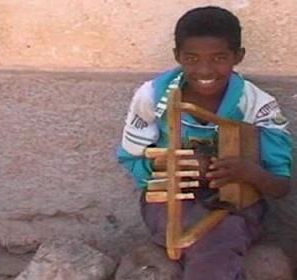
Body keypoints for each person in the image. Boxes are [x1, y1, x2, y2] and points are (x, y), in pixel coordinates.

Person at [117, 6, 293, 280]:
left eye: (220, 58)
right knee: (202, 234)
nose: (205, 69)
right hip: (171, 200)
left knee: (222, 234)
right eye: (192, 58)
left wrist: (248, 172)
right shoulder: (153, 96)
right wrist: (177, 167)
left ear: (238, 56)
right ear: (177, 56)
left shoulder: (258, 106)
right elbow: (132, 159)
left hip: (237, 205)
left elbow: (281, 186)